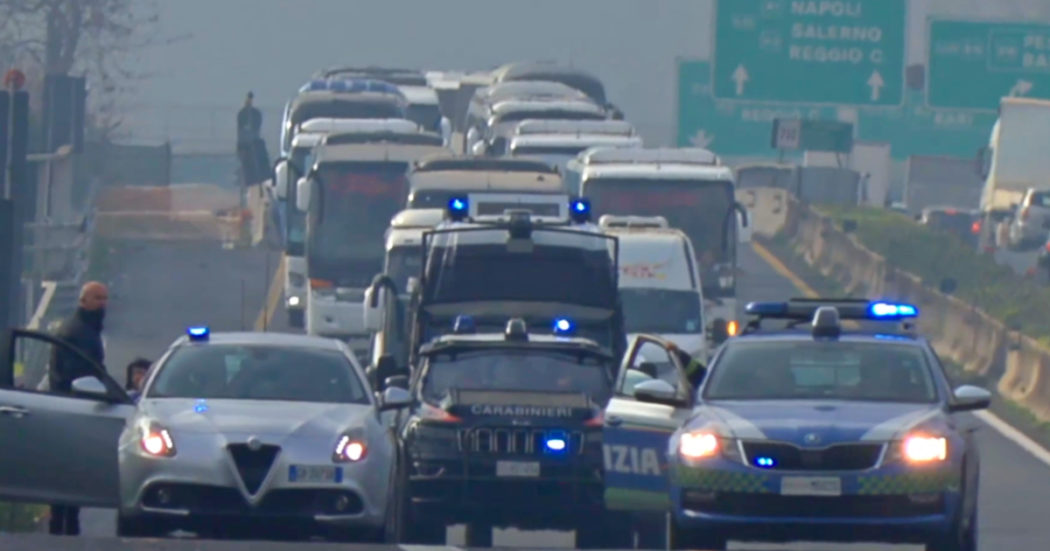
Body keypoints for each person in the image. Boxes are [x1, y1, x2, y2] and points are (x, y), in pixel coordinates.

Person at [47, 280, 108, 536]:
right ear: (83, 301)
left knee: (67, 474)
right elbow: (79, 376)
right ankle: (64, 527)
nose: (103, 304)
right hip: (71, 412)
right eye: (98, 299)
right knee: (68, 472)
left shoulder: (85, 330)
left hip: (71, 410)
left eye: (105, 299)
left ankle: (63, 524)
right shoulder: (78, 332)